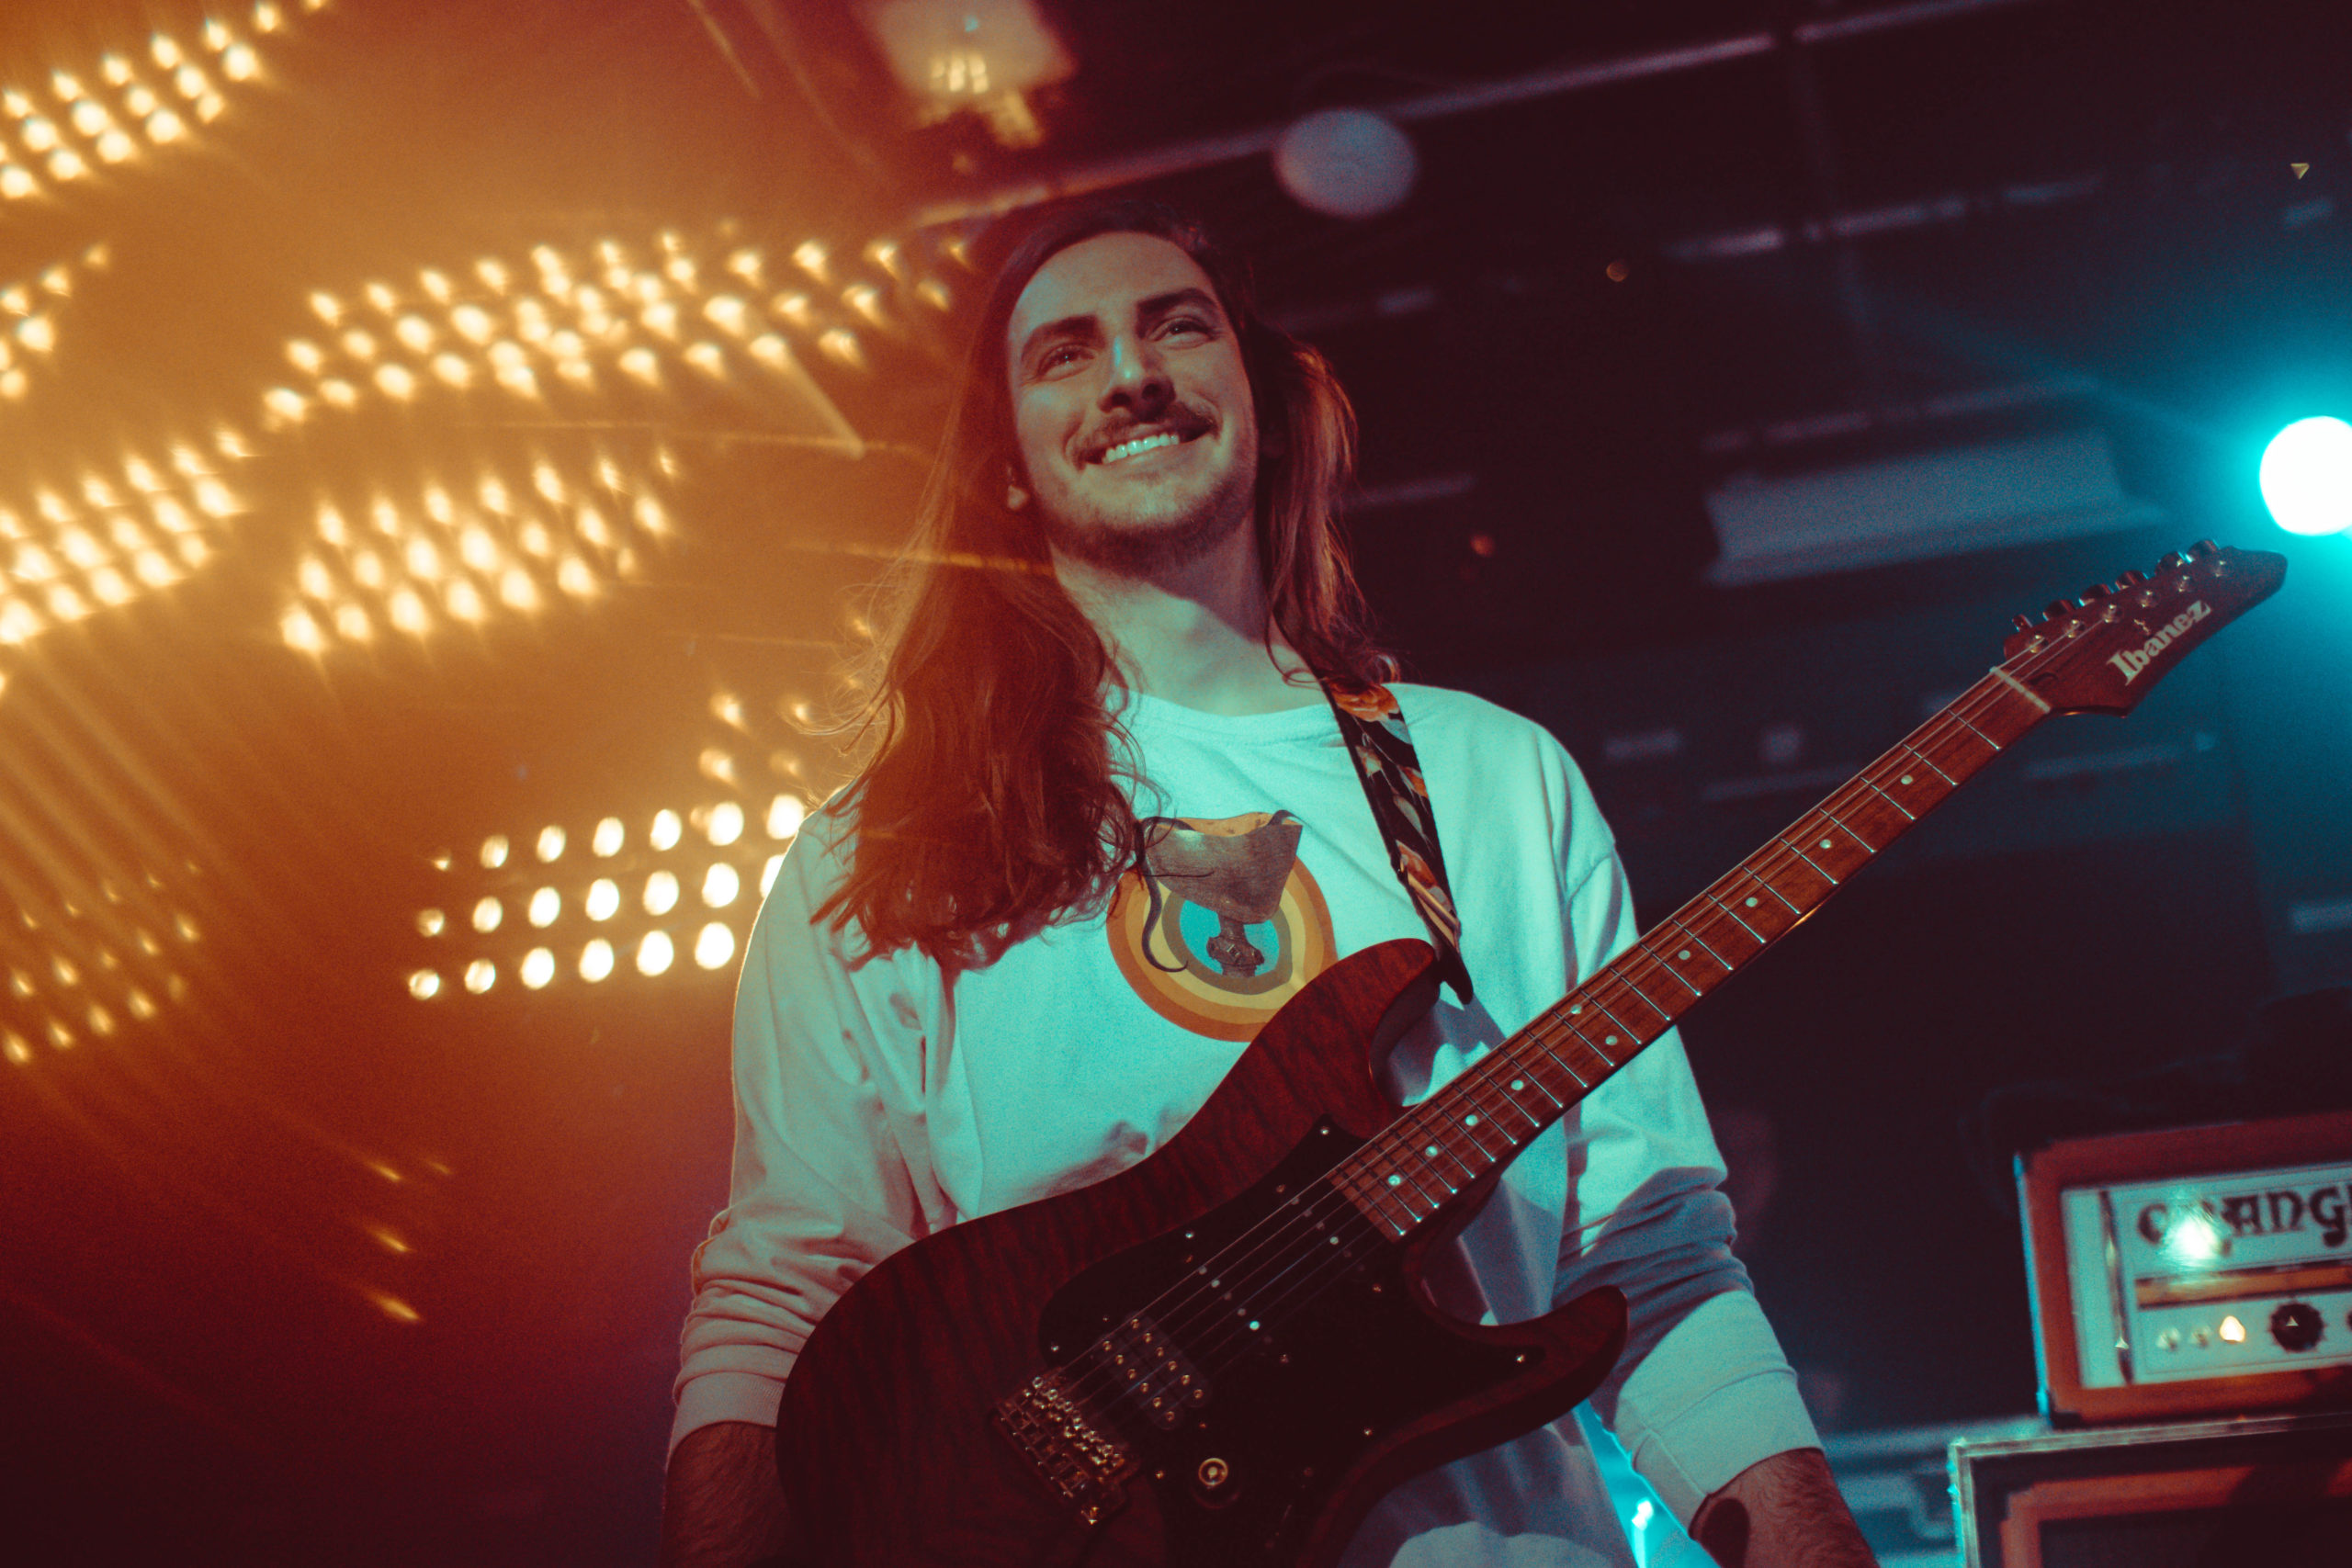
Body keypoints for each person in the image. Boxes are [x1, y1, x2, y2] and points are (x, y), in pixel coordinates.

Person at [659, 199, 1877, 1568]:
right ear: (1004, 464)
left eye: (1178, 327)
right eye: (1066, 352)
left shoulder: (1485, 779)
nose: (1132, 373)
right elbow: (789, 1288)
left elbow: (1647, 1257)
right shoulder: (881, 845)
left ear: (1264, 404)